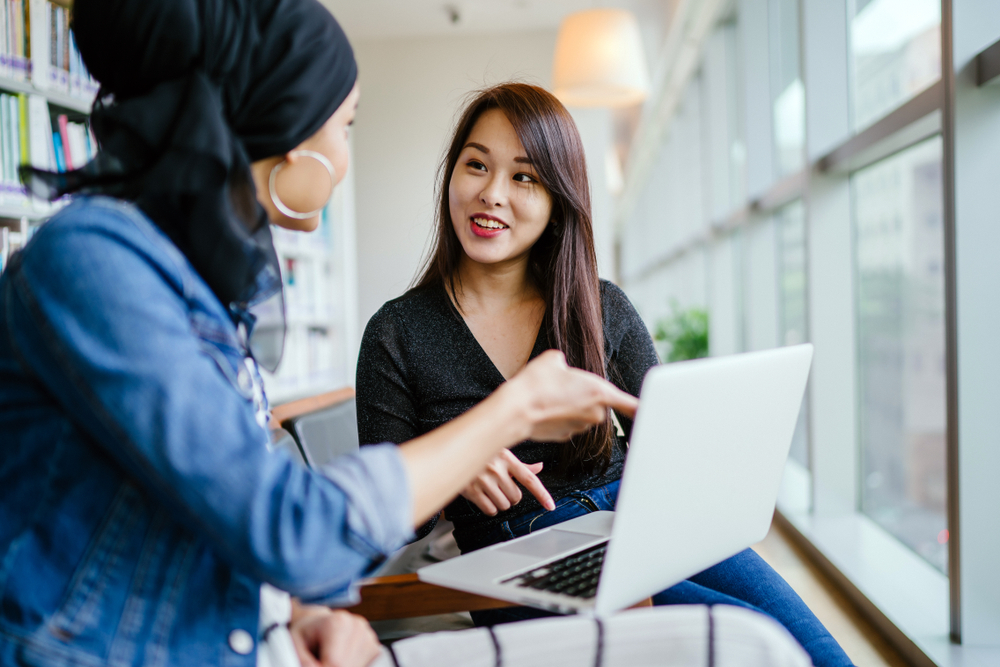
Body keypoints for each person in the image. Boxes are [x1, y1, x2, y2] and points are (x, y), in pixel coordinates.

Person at [0, 2, 645, 666]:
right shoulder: (94, 266)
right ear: (285, 129)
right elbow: (285, 525)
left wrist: (300, 608)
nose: (342, 157)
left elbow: (223, 508)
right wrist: (510, 411)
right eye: (345, 126)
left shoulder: (188, 286)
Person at [356, 83, 854, 667]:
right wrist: (457, 463)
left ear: (557, 199)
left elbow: (666, 446)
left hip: (641, 519)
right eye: (476, 166)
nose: (491, 194)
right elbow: (380, 526)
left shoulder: (598, 306)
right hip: (520, 549)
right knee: (746, 643)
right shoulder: (397, 332)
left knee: (819, 654)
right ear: (452, 176)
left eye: (524, 177)